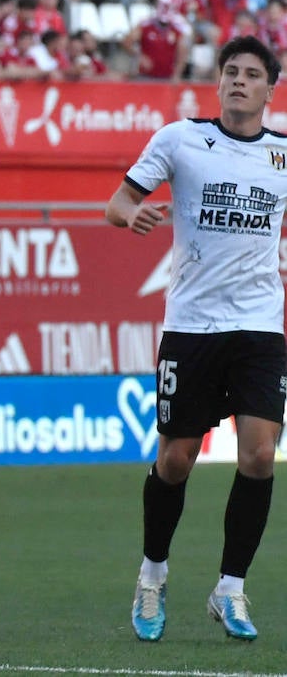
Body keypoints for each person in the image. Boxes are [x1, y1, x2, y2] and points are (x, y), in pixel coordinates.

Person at [107, 35, 287, 644]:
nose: (239, 81)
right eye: (231, 71)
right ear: (218, 82)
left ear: (270, 89)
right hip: (192, 327)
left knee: (259, 455)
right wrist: (131, 215)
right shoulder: (180, 139)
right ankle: (152, 575)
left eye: (252, 74)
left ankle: (230, 589)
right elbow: (117, 203)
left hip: (260, 328)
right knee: (176, 460)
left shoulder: (282, 155)